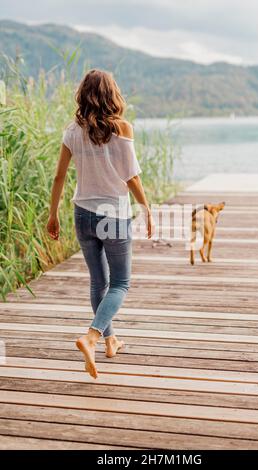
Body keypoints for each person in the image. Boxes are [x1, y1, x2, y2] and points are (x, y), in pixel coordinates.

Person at [47, 69, 155, 378]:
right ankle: (92, 336)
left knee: (98, 282)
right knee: (120, 283)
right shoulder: (122, 128)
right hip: (114, 214)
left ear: (83, 95)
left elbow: (59, 176)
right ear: (112, 95)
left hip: (82, 213)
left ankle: (110, 341)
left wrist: (52, 214)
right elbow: (131, 176)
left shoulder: (72, 130)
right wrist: (147, 207)